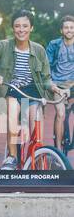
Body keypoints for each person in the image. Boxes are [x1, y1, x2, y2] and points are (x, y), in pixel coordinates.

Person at [0, 11, 60, 169]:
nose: (21, 29)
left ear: (31, 28)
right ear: (12, 28)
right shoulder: (3, 45)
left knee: (36, 125)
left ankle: (36, 152)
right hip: (13, 88)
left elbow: (46, 77)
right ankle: (12, 156)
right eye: (17, 26)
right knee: (13, 119)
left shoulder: (39, 50)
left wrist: (53, 87)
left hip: (33, 89)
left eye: (25, 26)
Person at [46, 15, 74, 146]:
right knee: (60, 113)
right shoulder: (54, 45)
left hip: (73, 84)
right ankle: (57, 150)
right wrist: (51, 84)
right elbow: (46, 67)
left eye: (72, 27)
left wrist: (71, 88)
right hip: (57, 84)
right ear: (61, 30)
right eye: (66, 27)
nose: (69, 30)